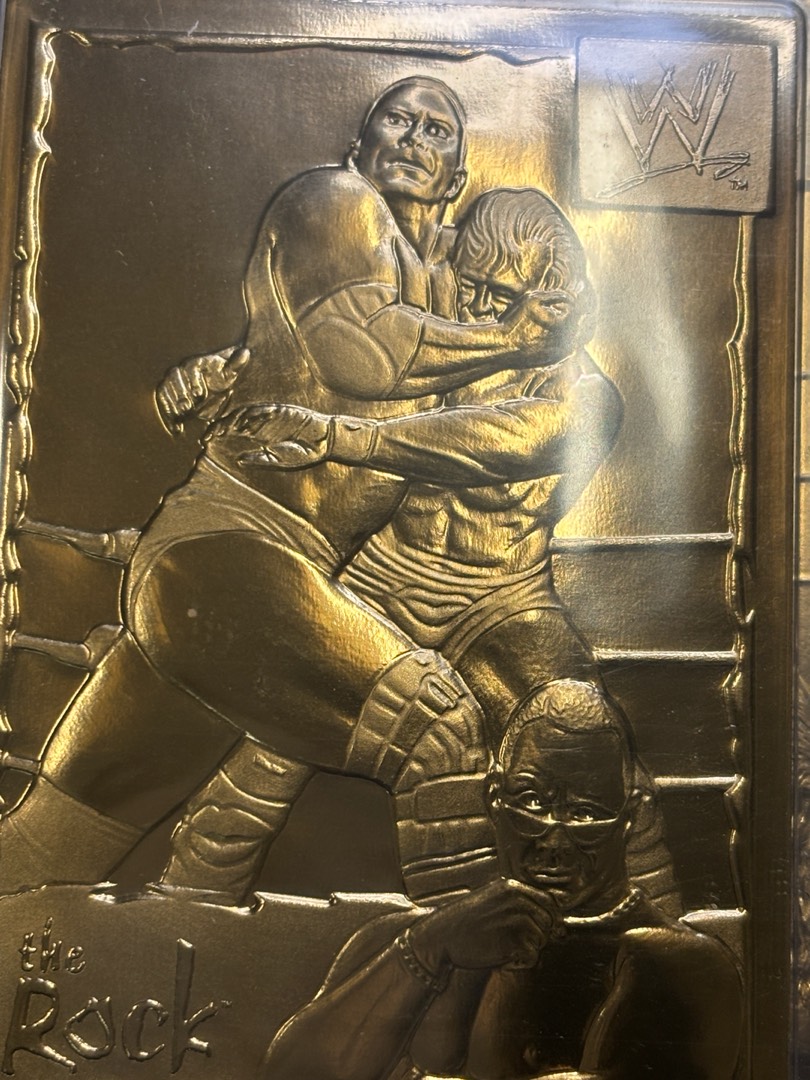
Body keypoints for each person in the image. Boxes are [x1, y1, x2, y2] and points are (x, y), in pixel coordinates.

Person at [0, 79, 594, 895]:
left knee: (48, 849)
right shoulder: (335, 201)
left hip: (245, 594)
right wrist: (516, 339)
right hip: (230, 556)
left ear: (458, 179)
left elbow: (346, 352)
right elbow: (368, 357)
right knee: (436, 726)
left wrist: (226, 371)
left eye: (438, 131)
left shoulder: (436, 283)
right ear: (360, 145)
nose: (414, 139)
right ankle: (453, 961)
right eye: (399, 120)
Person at [158, 190, 675, 914]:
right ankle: (178, 917)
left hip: (502, 599)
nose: (480, 309)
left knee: (600, 755)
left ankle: (662, 941)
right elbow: (313, 353)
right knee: (268, 756)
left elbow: (500, 442)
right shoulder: (420, 339)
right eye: (471, 285)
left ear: (559, 302)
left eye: (504, 297)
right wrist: (215, 374)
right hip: (377, 580)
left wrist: (342, 437)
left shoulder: (588, 395)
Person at [261, 680, 742, 1080]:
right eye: (532, 802)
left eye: (585, 812)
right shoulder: (409, 940)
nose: (555, 838)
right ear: (494, 797)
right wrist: (427, 948)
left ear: (629, 816)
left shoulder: (676, 964)